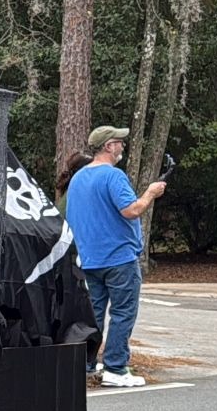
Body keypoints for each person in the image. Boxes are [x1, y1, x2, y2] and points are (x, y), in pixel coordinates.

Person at [64, 125, 166, 387]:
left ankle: (85, 363)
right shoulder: (113, 176)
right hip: (119, 258)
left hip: (88, 259)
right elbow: (131, 210)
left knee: (93, 313)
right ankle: (116, 369)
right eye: (120, 142)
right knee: (122, 313)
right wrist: (151, 193)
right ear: (109, 146)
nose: (123, 146)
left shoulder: (78, 179)